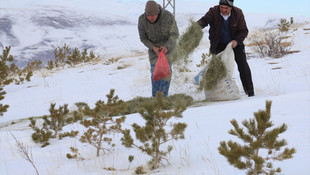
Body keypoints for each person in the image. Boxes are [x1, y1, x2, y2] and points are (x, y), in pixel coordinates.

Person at [197, 0, 255, 97]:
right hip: (219, 45)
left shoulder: (238, 13)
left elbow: (244, 31)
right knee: (218, 69)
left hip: (235, 44)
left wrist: (236, 41)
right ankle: (219, 93)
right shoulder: (213, 11)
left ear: (231, 8)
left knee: (243, 66)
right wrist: (195, 28)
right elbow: (204, 21)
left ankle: (250, 91)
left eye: (226, 8)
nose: (223, 10)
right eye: (221, 7)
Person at [138, 0, 179, 97]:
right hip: (154, 51)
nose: (150, 18)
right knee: (156, 73)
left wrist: (166, 47)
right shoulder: (142, 20)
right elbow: (143, 38)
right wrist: (153, 47)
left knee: (166, 74)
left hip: (168, 48)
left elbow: (175, 34)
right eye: (148, 16)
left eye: (152, 16)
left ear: (158, 13)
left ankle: (164, 98)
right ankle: (156, 99)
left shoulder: (168, 17)